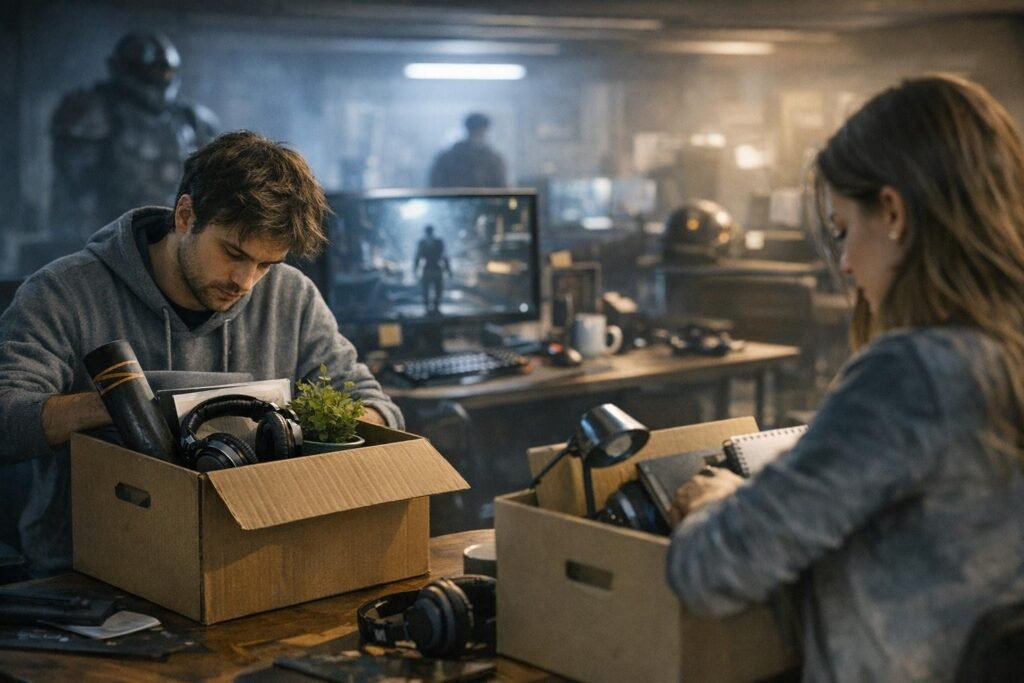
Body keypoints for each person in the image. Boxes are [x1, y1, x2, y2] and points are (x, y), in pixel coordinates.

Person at [666, 74, 1024, 681]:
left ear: (891, 211)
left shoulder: (916, 371)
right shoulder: (1003, 355)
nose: (846, 263)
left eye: (842, 230)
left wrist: (719, 502)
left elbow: (712, 572)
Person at [0, 130, 404, 577]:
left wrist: (306, 427)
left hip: (245, 561)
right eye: (233, 252)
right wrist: (119, 404)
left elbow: (377, 406)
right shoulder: (63, 293)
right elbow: (6, 415)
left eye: (266, 264)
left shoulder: (293, 298)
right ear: (186, 215)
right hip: (86, 574)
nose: (246, 281)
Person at [50, 32, 219, 244]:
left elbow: (211, 191)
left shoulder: (193, 120)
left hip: (175, 236)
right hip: (106, 238)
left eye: (163, 71)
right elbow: (72, 192)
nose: (158, 77)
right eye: (151, 71)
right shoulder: (93, 112)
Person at [428, 113, 507, 188]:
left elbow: (501, 186)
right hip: (453, 201)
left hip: (485, 201)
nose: (479, 133)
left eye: (481, 130)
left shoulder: (492, 159)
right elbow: (436, 186)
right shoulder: (448, 158)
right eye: (476, 129)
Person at [413, 224, 451, 314]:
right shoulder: (438, 242)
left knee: (428, 289)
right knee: (436, 289)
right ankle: (435, 307)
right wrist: (448, 269)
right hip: (436, 268)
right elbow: (444, 257)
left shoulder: (422, 242)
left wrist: (415, 269)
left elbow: (418, 257)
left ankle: (429, 308)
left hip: (428, 269)